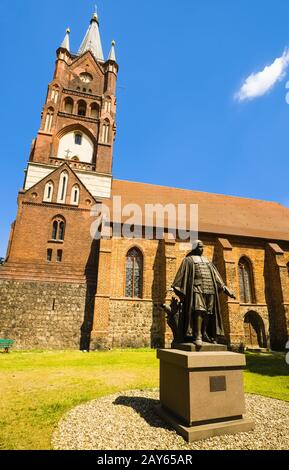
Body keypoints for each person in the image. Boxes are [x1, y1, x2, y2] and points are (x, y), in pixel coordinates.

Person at [172, 240, 236, 346]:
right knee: (198, 310)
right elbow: (180, 276)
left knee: (208, 313)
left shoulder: (207, 261)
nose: (202, 249)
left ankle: (204, 333)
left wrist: (225, 289)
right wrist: (177, 288)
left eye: (203, 247)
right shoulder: (188, 260)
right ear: (195, 247)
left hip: (210, 289)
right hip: (196, 288)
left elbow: (216, 276)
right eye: (200, 247)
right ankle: (197, 336)